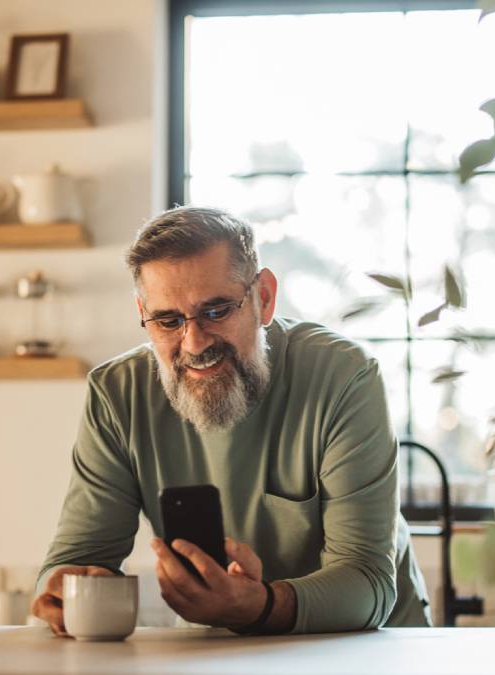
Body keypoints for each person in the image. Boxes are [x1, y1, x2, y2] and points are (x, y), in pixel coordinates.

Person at [32, 206, 430, 635]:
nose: (195, 342)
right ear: (142, 314)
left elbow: (367, 582)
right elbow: (79, 559)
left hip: (369, 646)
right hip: (219, 648)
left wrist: (259, 606)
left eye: (217, 311)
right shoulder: (116, 394)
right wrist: (61, 592)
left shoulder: (343, 376)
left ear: (263, 298)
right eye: (168, 320)